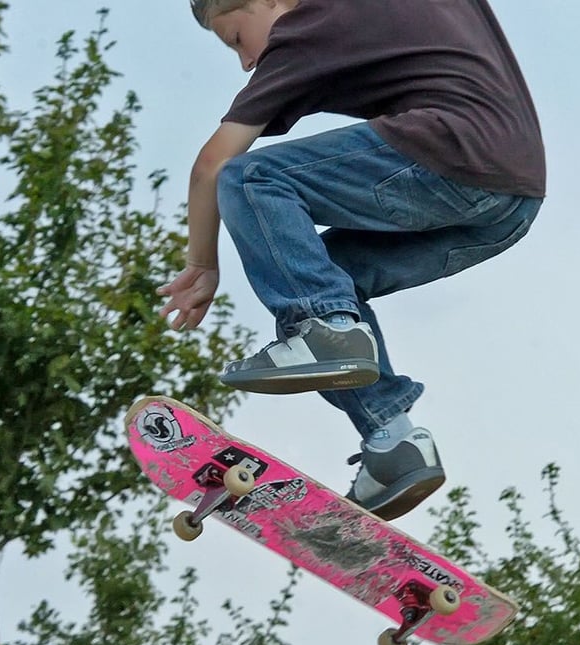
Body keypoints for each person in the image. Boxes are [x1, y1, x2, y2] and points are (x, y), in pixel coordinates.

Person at [158, 0, 546, 520]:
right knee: (323, 276)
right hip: (512, 200)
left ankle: (327, 327)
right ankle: (393, 441)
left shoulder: (306, 26)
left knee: (251, 179)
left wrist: (203, 264)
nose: (246, 62)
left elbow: (212, 164)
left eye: (235, 40)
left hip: (451, 151)